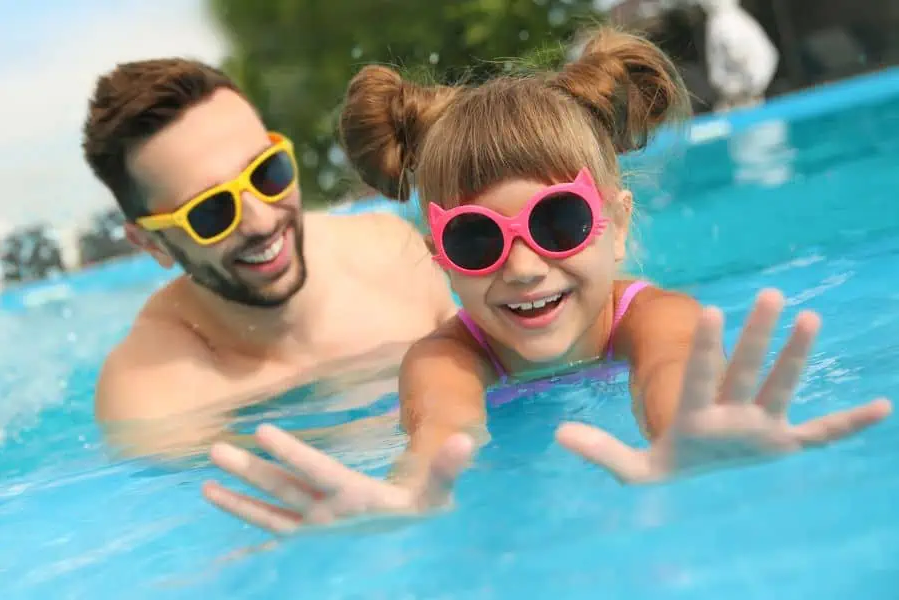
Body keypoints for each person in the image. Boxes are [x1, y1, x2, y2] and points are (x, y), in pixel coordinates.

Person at [201, 27, 892, 533]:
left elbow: (670, 375)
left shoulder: (651, 318)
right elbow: (443, 430)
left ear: (615, 225)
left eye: (558, 223)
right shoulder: (446, 357)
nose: (525, 267)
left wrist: (687, 431)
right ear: (440, 254)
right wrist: (410, 494)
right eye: (476, 239)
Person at [81, 59, 458, 458]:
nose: (261, 220)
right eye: (211, 211)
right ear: (151, 243)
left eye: (266, 173)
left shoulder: (395, 257)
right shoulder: (153, 397)